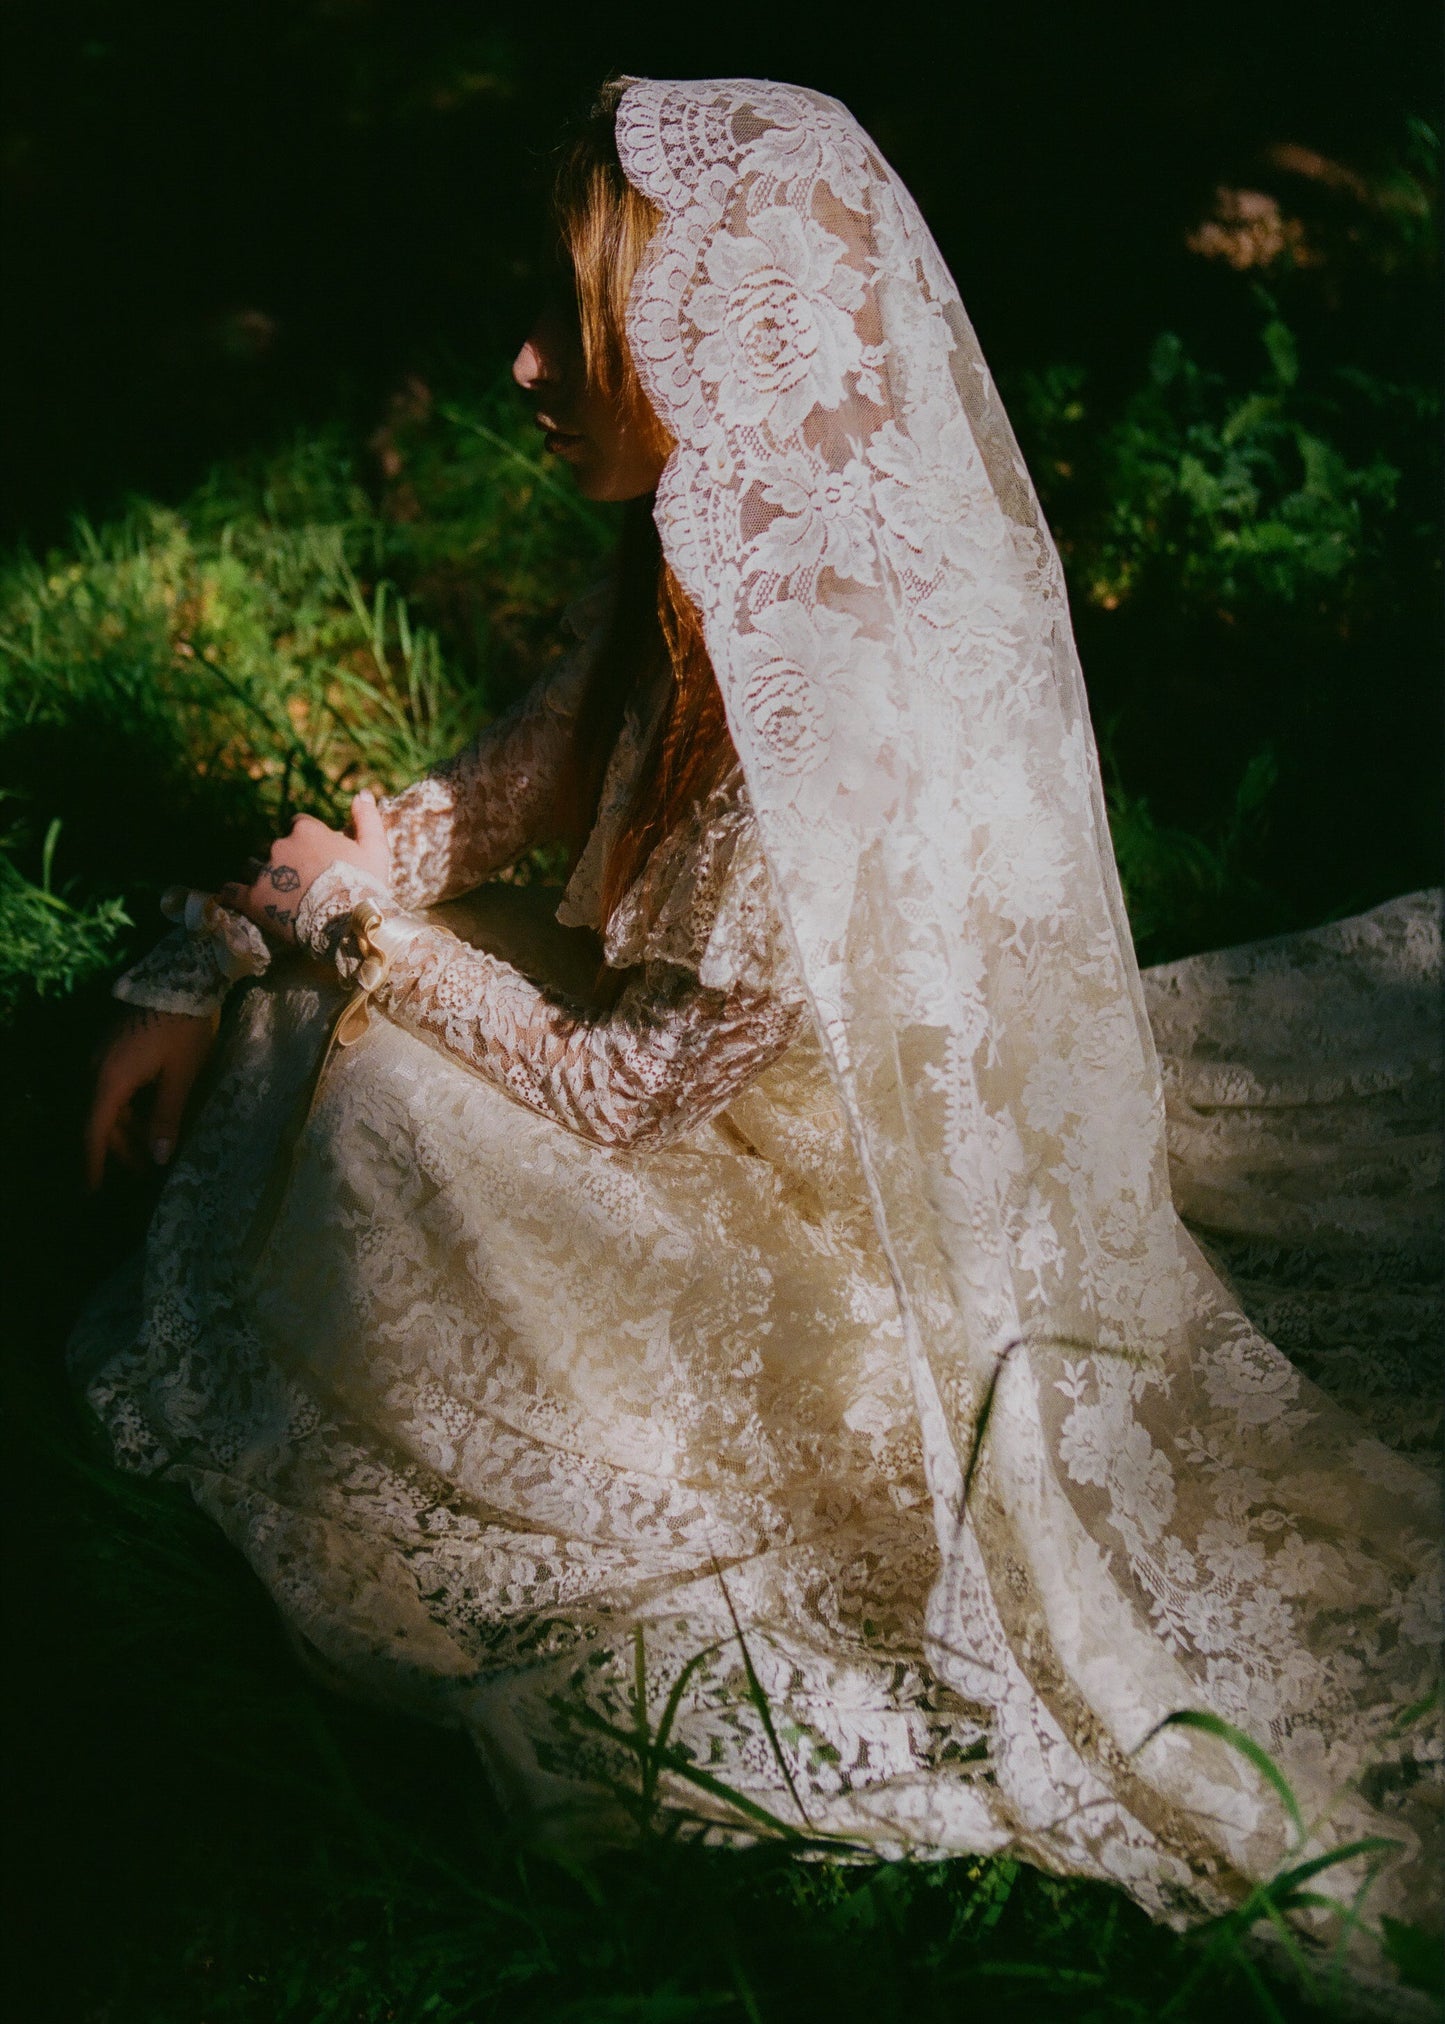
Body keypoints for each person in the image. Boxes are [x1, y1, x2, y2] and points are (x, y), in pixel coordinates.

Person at [75, 76, 1439, 1980]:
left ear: (717, 336)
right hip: (685, 1091)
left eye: (581, 325)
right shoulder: (692, 559)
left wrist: (349, 927)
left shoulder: (851, 700)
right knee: (327, 1011)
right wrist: (218, 940)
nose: (527, 365)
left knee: (372, 1079)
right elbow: (500, 794)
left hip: (813, 1197)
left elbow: (623, 1092)